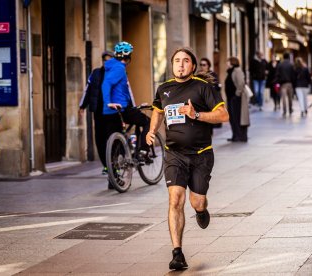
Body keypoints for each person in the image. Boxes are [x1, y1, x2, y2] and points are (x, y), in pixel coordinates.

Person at [145, 47, 229, 270]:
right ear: (172, 65)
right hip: (175, 155)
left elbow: (223, 115)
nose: (180, 65)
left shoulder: (203, 88)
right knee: (175, 200)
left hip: (201, 155)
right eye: (176, 61)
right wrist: (151, 130)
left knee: (196, 201)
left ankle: (201, 211)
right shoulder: (164, 89)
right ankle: (177, 253)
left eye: (185, 61)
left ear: (192, 66)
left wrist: (196, 115)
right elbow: (158, 111)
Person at [101, 41, 151, 189]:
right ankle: (142, 151)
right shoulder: (119, 68)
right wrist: (109, 101)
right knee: (148, 121)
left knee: (115, 141)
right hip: (121, 108)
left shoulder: (109, 66)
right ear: (129, 56)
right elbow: (106, 84)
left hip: (109, 111)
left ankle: (114, 178)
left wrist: (108, 104)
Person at [79, 51, 114, 175]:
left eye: (109, 60)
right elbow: (87, 90)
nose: (106, 62)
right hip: (98, 112)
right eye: (105, 60)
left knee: (112, 139)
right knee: (100, 140)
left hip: (112, 112)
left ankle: (114, 164)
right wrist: (82, 106)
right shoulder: (95, 73)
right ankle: (106, 165)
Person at [225, 56, 250, 142]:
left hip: (236, 99)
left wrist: (237, 95)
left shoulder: (237, 71)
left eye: (227, 62)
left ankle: (240, 136)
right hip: (231, 98)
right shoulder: (230, 71)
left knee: (237, 117)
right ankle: (235, 135)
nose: (226, 64)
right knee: (232, 118)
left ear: (232, 63)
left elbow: (241, 84)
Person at [198, 57, 222, 129]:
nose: (202, 66)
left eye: (204, 65)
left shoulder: (212, 74)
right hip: (201, 100)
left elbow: (216, 86)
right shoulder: (198, 75)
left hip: (210, 99)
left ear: (208, 65)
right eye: (201, 65)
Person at [275, 52, 296, 117]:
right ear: (289, 57)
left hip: (283, 84)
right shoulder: (291, 64)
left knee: (283, 98)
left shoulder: (280, 65)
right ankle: (290, 109)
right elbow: (293, 75)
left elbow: (277, 75)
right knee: (290, 98)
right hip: (290, 83)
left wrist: (277, 82)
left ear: (283, 57)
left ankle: (284, 111)